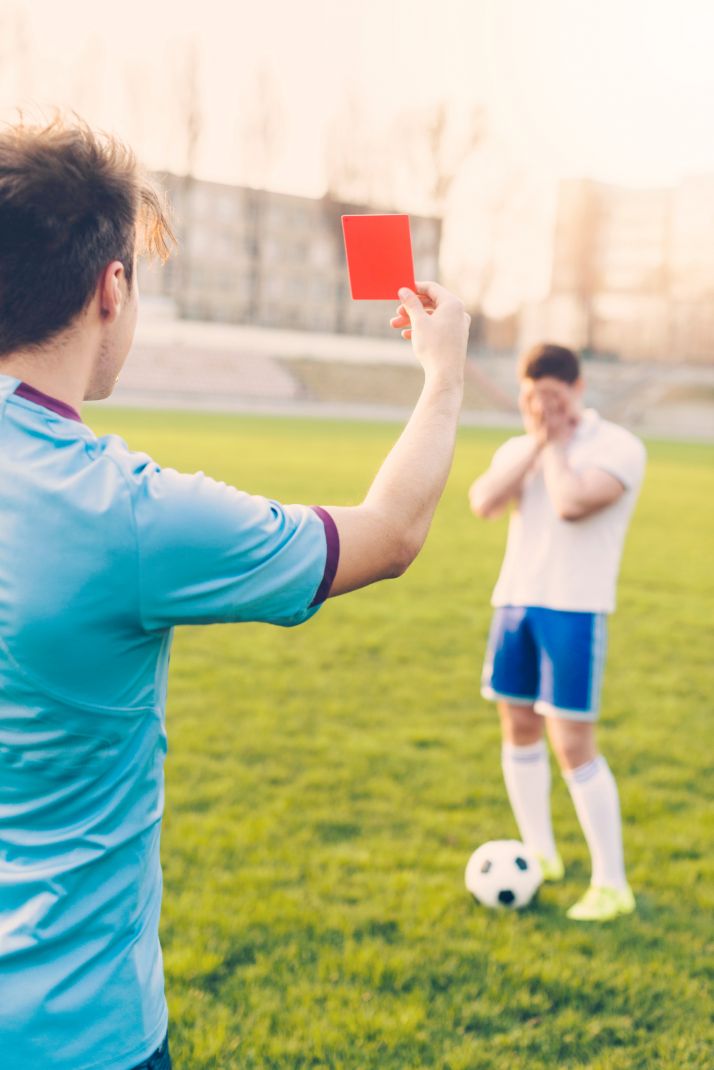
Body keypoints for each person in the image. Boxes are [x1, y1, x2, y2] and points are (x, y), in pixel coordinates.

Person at [0, 116, 469, 1070]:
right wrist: (445, 375)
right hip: (76, 1032)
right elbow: (390, 535)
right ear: (110, 287)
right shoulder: (124, 513)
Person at [469, 343, 646, 922]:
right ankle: (541, 853)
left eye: (552, 396)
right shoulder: (519, 447)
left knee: (572, 745)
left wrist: (556, 444)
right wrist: (539, 443)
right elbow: (484, 503)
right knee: (518, 726)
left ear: (577, 389)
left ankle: (611, 883)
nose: (540, 407)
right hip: (516, 603)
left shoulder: (617, 446)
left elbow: (571, 503)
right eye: (529, 397)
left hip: (575, 608)